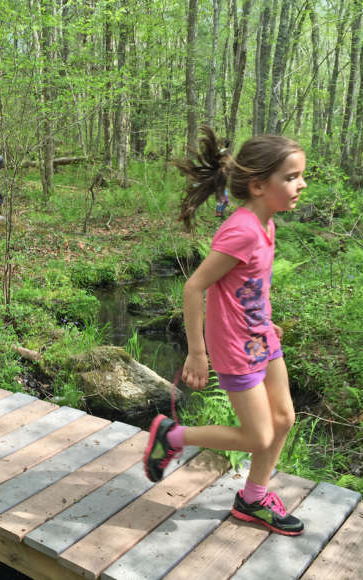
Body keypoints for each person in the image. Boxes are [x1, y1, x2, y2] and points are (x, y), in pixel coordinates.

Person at [144, 128, 308, 536]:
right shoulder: (243, 229)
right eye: (290, 177)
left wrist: (266, 321)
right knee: (258, 434)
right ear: (258, 185)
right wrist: (197, 353)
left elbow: (247, 287)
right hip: (235, 348)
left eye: (301, 175)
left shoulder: (266, 225)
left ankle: (252, 499)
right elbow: (195, 286)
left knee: (284, 418)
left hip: (261, 339)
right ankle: (172, 436)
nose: (301, 184)